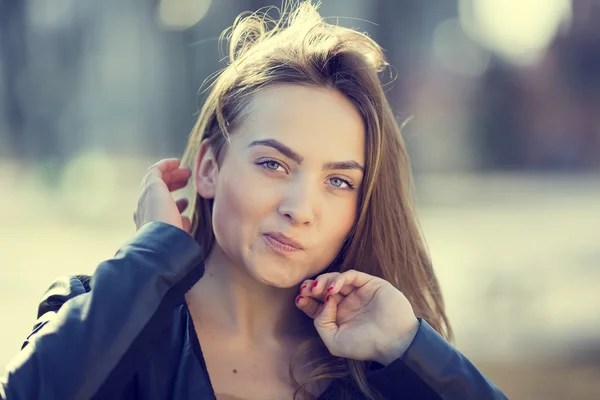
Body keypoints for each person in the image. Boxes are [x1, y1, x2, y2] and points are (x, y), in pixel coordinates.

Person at [1, 2, 507, 399]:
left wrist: (408, 347)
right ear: (208, 170)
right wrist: (150, 259)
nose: (300, 208)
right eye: (273, 164)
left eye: (338, 182)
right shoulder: (102, 313)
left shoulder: (374, 364)